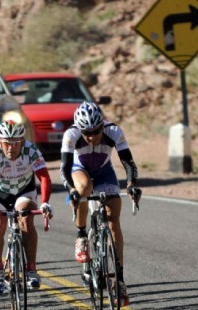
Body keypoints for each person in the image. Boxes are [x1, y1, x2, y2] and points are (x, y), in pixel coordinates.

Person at [61, 101, 138, 307]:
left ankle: (120, 280)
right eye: (87, 133)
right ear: (80, 129)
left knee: (114, 221)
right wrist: (72, 191)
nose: (92, 137)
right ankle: (81, 235)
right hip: (79, 170)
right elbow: (65, 168)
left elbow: (128, 162)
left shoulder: (114, 131)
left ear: (102, 126)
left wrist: (131, 185)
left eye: (96, 131)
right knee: (84, 188)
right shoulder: (71, 135)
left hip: (104, 172)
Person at [0, 121, 53, 293]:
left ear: (22, 141)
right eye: (6, 143)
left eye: (15, 143)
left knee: (26, 219)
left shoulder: (31, 150)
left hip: (23, 191)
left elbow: (44, 178)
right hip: (0, 193)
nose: (10, 148)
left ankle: (31, 269)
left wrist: (45, 202)